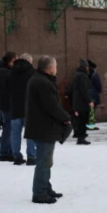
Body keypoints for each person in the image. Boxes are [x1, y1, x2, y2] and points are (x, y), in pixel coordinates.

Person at [25, 56, 71, 204]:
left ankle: (45, 187)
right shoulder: (42, 82)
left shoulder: (40, 79)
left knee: (46, 161)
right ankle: (39, 193)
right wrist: (65, 117)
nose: (56, 69)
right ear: (50, 68)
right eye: (55, 66)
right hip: (43, 128)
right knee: (44, 161)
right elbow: (52, 106)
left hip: (42, 127)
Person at [9, 53, 37, 165]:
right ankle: (31, 156)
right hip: (29, 107)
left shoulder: (12, 71)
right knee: (30, 132)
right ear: (30, 61)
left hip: (15, 107)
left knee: (15, 132)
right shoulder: (33, 72)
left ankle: (16, 156)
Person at [0, 52, 17, 161]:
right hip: (7, 103)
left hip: (6, 103)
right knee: (8, 127)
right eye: (14, 60)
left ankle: (6, 150)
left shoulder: (3, 71)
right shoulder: (5, 72)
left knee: (8, 127)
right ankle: (4, 152)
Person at [67, 59, 93, 145]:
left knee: (79, 120)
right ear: (85, 67)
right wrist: (89, 100)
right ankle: (81, 138)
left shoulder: (77, 75)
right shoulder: (83, 76)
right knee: (83, 120)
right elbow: (84, 90)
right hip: (82, 103)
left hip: (77, 102)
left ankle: (80, 136)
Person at [87, 60, 102, 131]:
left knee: (88, 111)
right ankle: (91, 125)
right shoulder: (95, 74)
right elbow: (98, 85)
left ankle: (87, 124)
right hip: (93, 95)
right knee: (92, 111)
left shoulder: (84, 73)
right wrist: (99, 91)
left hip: (86, 95)